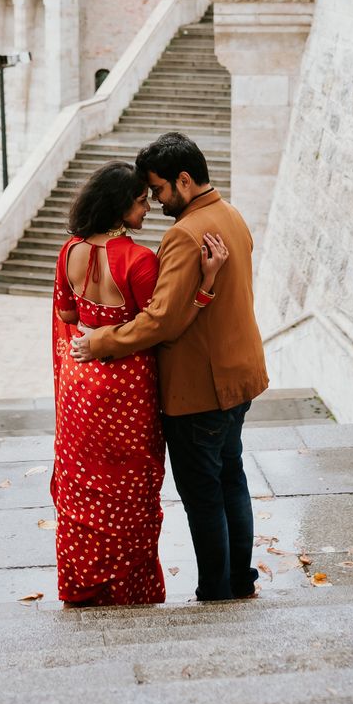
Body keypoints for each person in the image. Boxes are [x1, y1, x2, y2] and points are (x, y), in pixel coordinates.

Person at [71, 133, 268, 603]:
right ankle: (240, 579)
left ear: (184, 179)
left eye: (159, 190)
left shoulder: (185, 234)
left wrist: (101, 342)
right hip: (240, 375)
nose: (158, 201)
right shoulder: (231, 214)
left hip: (200, 387)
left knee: (205, 496)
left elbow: (162, 319)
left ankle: (217, 591)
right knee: (231, 479)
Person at [52, 160, 227, 607]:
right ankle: (127, 590)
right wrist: (205, 286)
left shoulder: (68, 250)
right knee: (128, 491)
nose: (147, 208)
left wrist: (96, 329)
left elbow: (69, 317)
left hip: (80, 386)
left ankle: (85, 581)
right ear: (120, 205)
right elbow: (162, 326)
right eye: (140, 200)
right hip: (126, 391)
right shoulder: (138, 260)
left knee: (86, 487)